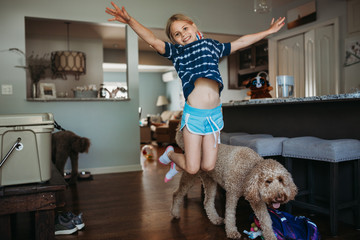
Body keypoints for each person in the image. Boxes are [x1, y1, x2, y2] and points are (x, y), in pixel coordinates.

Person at [106, 2, 285, 182]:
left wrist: (268, 32)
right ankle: (170, 156)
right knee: (192, 168)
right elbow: (152, 40)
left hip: (215, 115)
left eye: (185, 28)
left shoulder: (211, 45)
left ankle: (176, 163)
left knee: (208, 166)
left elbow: (241, 42)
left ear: (193, 26)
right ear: (174, 39)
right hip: (194, 116)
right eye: (177, 33)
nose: (183, 34)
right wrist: (129, 20)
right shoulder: (177, 52)